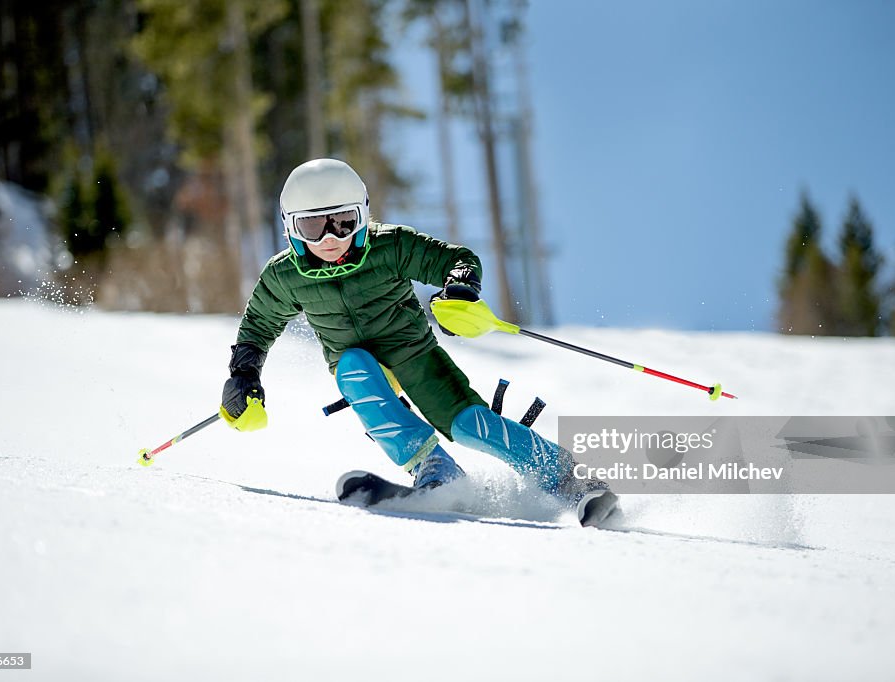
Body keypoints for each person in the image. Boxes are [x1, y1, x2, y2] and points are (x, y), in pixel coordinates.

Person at [219, 158, 617, 523]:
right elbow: (256, 327)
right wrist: (243, 376)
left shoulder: (390, 246)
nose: (329, 238)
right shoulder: (284, 276)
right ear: (292, 227)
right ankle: (436, 469)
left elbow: (454, 259)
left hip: (413, 353)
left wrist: (458, 287)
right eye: (313, 226)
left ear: (361, 216)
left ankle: (567, 478)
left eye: (342, 222)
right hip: (357, 364)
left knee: (468, 425)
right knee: (353, 368)